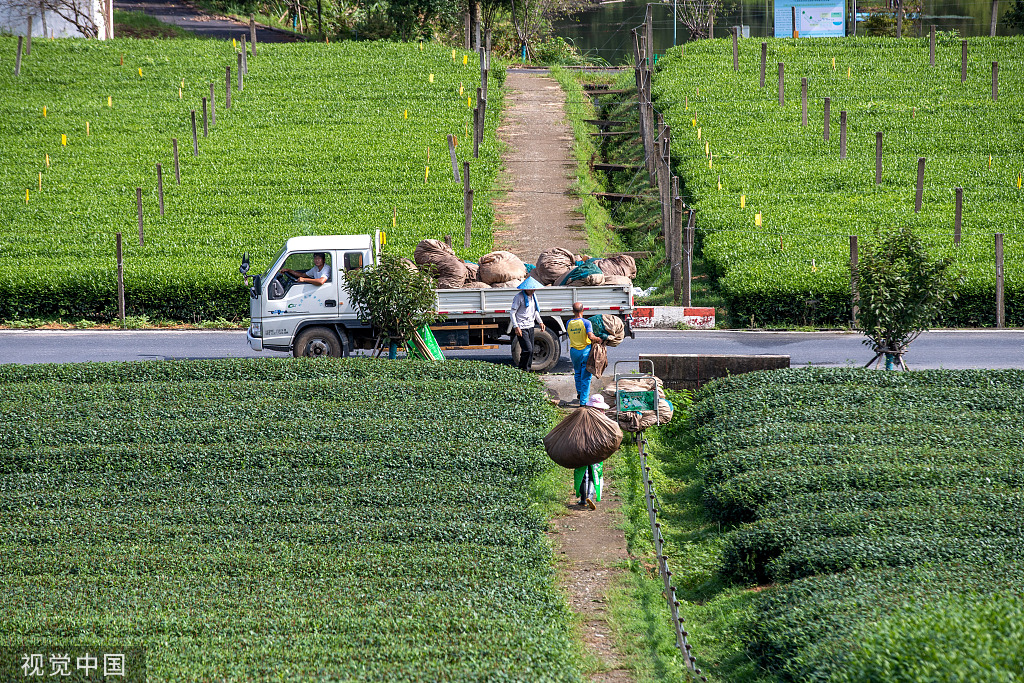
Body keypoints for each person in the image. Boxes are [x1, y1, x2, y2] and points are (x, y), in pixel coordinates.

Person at [566, 301, 604, 406]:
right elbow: (591, 336)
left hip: (574, 351)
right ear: (583, 310)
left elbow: (570, 335)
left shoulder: (568, 322)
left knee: (577, 373)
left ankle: (579, 393)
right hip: (585, 351)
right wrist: (598, 339)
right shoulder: (586, 322)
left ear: (573, 311)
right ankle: (583, 402)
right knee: (586, 376)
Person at [575, 395, 609, 509]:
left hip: (583, 448)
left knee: (582, 473)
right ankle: (590, 496)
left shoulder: (584, 415)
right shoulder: (603, 418)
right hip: (597, 450)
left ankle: (583, 499)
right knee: (595, 472)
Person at [510, 276, 546, 372]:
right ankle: (522, 369)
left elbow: (535, 311)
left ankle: (527, 370)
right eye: (531, 289)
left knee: (531, 350)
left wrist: (540, 322)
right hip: (521, 327)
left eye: (534, 288)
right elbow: (512, 313)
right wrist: (516, 326)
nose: (533, 290)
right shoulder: (519, 297)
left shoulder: (533, 296)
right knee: (528, 349)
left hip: (530, 325)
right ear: (526, 288)